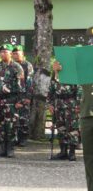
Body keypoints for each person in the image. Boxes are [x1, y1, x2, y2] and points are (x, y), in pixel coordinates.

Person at [53, 37, 93, 190]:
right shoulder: (84, 63)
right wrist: (57, 72)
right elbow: (67, 84)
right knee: (89, 158)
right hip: (87, 113)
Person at [0, 44, 25, 158]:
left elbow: (22, 86)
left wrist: (20, 101)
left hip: (11, 101)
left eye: (5, 51)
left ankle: (10, 148)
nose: (2, 54)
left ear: (10, 54)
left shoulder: (16, 67)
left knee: (11, 125)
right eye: (1, 51)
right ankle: (2, 148)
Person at [47, 68, 81, 161]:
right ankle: (63, 151)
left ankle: (72, 152)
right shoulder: (55, 75)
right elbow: (50, 91)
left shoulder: (73, 74)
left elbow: (79, 90)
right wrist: (49, 104)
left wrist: (78, 104)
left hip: (70, 104)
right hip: (58, 104)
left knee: (72, 128)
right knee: (60, 127)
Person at [12, 45, 33, 146]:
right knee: (14, 117)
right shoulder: (11, 65)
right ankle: (15, 138)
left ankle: (23, 138)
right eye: (14, 54)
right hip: (13, 96)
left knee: (23, 118)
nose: (15, 55)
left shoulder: (27, 65)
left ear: (22, 54)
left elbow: (29, 82)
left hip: (24, 95)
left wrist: (28, 97)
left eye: (17, 53)